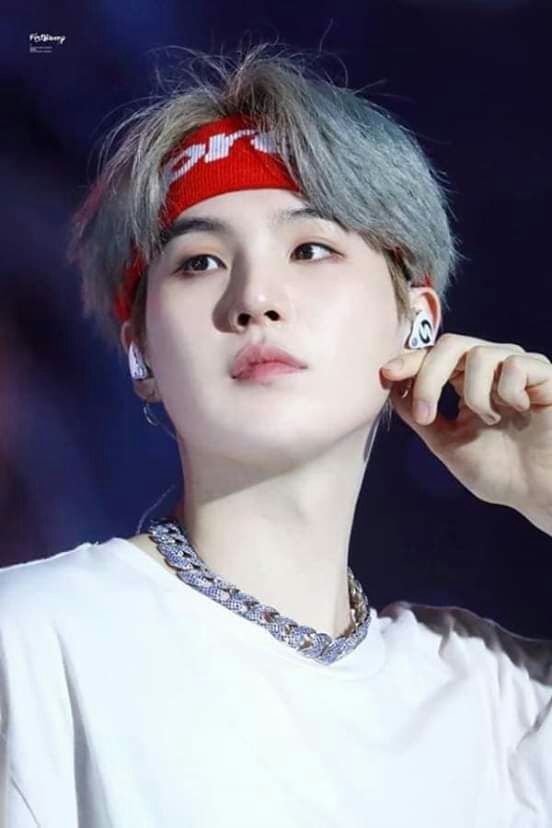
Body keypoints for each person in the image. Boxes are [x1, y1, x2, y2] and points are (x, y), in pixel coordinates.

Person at [1, 42, 551, 827]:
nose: (255, 297)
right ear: (141, 350)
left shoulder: (501, 702)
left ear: (417, 318)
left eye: (311, 248)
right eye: (198, 262)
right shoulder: (33, 644)